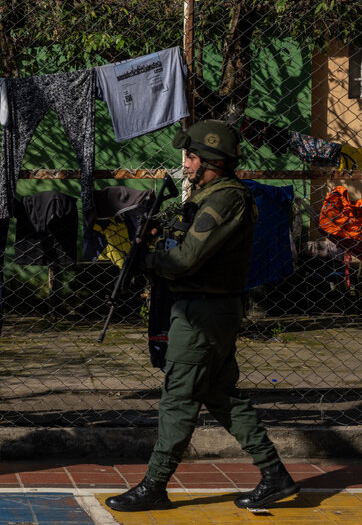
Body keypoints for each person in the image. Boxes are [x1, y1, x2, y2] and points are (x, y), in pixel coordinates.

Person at [105, 120, 299, 512]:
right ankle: (275, 476)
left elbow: (187, 259)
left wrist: (149, 260)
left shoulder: (225, 199)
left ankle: (155, 485)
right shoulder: (213, 195)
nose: (187, 165)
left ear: (212, 160)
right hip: (205, 309)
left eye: (191, 157)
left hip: (203, 314)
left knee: (178, 397)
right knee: (221, 396)